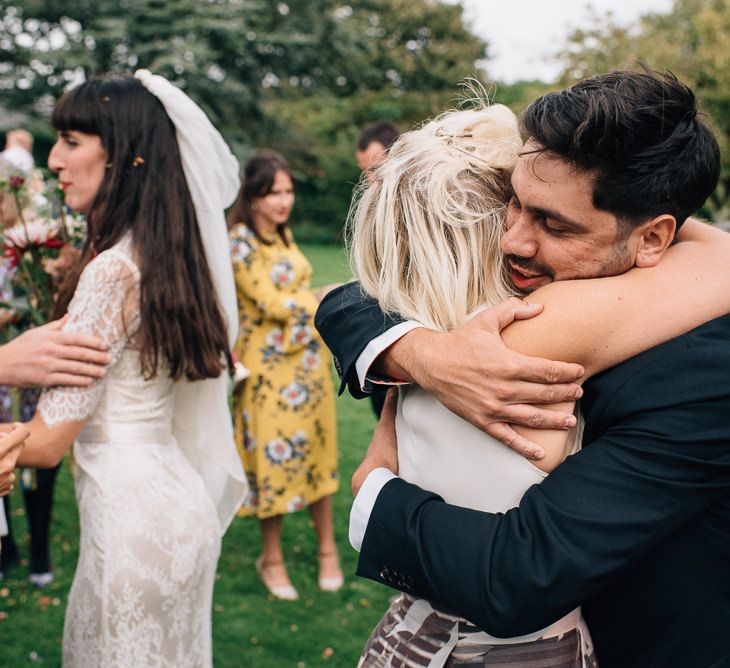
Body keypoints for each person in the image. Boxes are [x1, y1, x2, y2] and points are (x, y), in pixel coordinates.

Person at [316, 70, 730, 668]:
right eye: (513, 203)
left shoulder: (705, 376)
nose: (512, 240)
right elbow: (348, 297)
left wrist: (371, 495)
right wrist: (420, 352)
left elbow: (515, 575)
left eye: (554, 225)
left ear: (653, 239)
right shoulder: (500, 319)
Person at [0, 70, 248, 666]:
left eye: (73, 139)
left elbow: (47, 443)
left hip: (129, 520)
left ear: (126, 154)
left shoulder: (111, 271)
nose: (55, 158)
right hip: (176, 501)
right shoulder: (162, 253)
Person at [228, 150, 342, 600]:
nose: (283, 200)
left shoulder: (283, 236)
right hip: (266, 372)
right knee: (271, 461)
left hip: (307, 365)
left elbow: (288, 298)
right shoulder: (239, 241)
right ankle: (271, 558)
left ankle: (327, 549)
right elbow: (269, 303)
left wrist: (307, 298)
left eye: (288, 190)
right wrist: (323, 297)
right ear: (253, 196)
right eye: (273, 192)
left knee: (316, 452)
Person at [353, 122, 401, 418]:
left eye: (376, 169)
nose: (371, 181)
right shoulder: (373, 212)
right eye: (365, 172)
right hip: (379, 340)